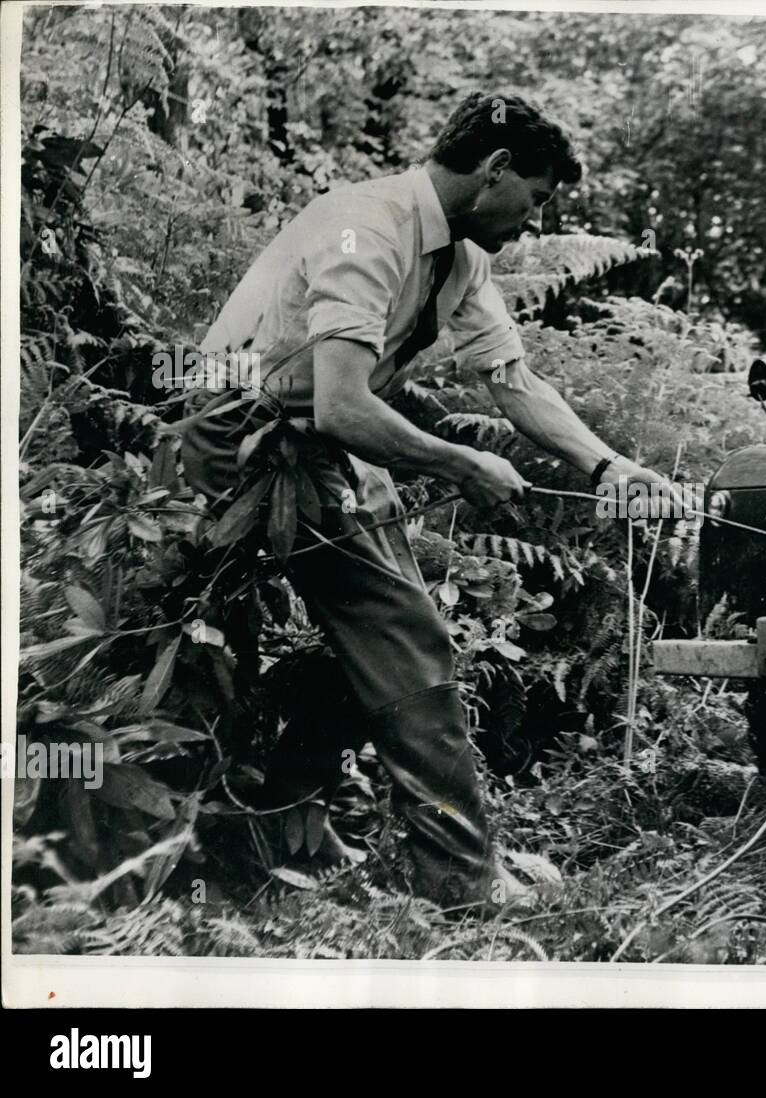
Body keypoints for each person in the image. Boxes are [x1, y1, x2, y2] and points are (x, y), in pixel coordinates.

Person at [181, 92, 674, 910]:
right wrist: (460, 464)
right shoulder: (366, 227)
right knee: (406, 644)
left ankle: (281, 818)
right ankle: (461, 879)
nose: (537, 222)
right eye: (538, 198)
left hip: (316, 436)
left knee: (403, 637)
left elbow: (513, 379)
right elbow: (341, 404)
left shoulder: (463, 256)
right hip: (240, 434)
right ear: (496, 169)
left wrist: (607, 466)